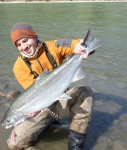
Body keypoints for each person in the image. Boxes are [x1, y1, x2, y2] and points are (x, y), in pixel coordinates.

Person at [7, 22, 93, 150]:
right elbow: (32, 91)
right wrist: (33, 110)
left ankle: (75, 146)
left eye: (25, 41)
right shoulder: (19, 67)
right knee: (14, 144)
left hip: (61, 99)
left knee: (85, 92)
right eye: (18, 45)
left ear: (34, 37)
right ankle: (47, 124)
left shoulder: (53, 46)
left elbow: (72, 44)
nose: (23, 47)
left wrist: (83, 48)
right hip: (42, 106)